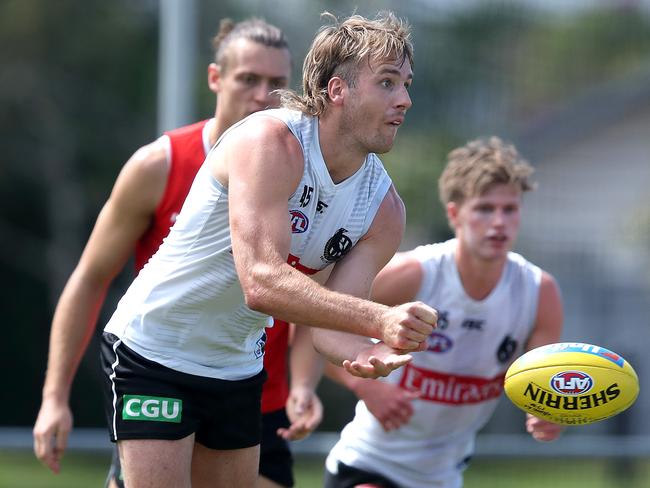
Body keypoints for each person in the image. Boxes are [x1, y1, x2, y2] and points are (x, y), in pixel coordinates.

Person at [89, 10, 436, 488]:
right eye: (388, 83)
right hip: (155, 350)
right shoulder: (271, 141)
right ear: (338, 90)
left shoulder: (383, 211)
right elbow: (261, 281)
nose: (405, 99)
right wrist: (378, 318)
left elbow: (328, 331)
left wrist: (370, 349)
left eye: (406, 84)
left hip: (236, 366)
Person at [32, 18, 323, 488]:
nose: (262, 95)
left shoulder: (306, 176)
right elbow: (89, 277)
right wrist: (54, 396)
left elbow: (313, 287)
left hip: (256, 400)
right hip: (163, 376)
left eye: (277, 83)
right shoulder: (161, 165)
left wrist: (305, 383)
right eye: (248, 79)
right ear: (215, 78)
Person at [324, 136, 565, 488]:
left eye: (509, 209)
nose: (499, 222)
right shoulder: (416, 273)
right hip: (367, 466)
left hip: (443, 478)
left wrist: (546, 414)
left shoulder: (539, 292)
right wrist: (366, 388)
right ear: (455, 214)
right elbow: (316, 320)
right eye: (484, 208)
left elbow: (541, 387)